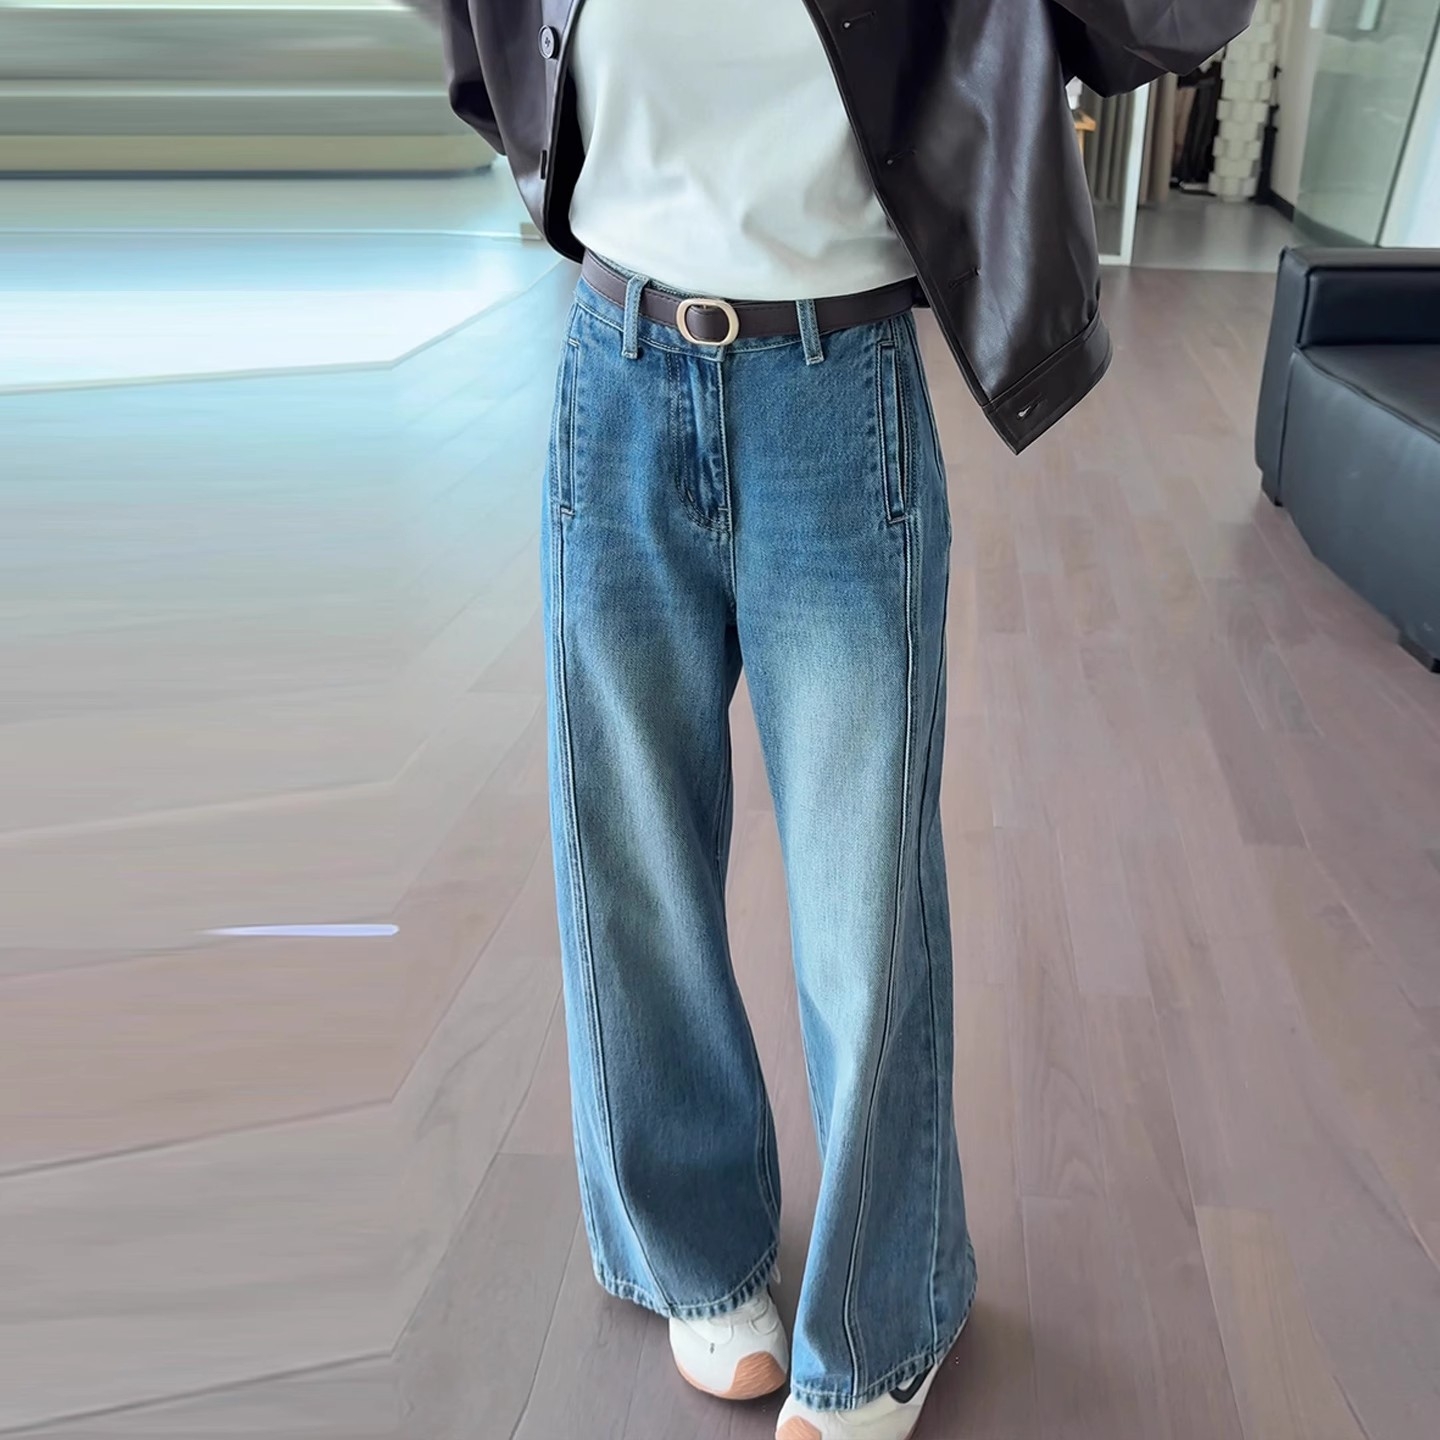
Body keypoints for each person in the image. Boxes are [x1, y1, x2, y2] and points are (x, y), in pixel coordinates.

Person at [440, 3, 1254, 1437]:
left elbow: (1165, 22)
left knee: (862, 889)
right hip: (614, 370)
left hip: (838, 387)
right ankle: (689, 1251)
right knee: (627, 860)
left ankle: (888, 1314)